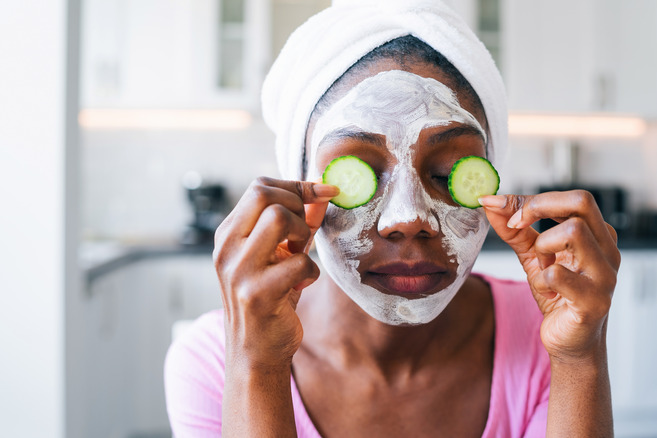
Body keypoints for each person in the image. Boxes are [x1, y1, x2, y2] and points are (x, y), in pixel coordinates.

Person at [164, 1, 619, 437]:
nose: (408, 218)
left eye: (448, 173)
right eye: (356, 176)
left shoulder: (550, 331)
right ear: (298, 184)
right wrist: (259, 365)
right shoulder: (215, 362)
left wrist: (580, 360)